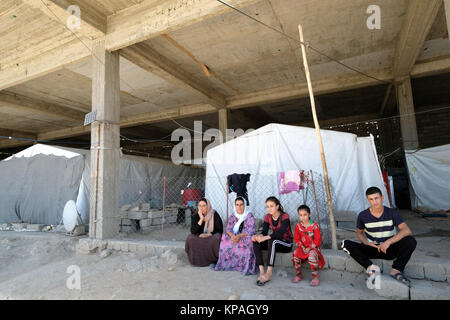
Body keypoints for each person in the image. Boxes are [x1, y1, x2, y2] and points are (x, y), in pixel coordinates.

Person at [341, 187, 417, 287]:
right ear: (368, 200)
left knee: (410, 241)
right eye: (371, 199)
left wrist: (388, 242)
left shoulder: (391, 213)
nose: (374, 202)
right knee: (345, 243)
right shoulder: (363, 216)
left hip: (389, 249)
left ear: (382, 198)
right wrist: (366, 243)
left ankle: (396, 270)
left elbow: (406, 230)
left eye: (376, 198)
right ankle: (371, 267)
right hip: (372, 249)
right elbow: (359, 233)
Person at [252, 196, 293, 286]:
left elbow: (280, 233)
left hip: (286, 243)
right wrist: (257, 237)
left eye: (271, 206)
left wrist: (265, 237)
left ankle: (269, 273)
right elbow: (264, 232)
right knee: (256, 241)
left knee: (272, 241)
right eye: (267, 206)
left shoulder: (284, 216)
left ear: (277, 206)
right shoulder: (267, 217)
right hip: (275, 242)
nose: (269, 209)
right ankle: (262, 271)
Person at [214, 197, 257, 275]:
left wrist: (239, 236)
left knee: (249, 240)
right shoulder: (233, 216)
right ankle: (229, 264)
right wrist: (232, 236)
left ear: (244, 205)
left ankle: (244, 266)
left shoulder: (249, 215)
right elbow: (228, 229)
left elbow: (251, 230)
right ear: (235, 206)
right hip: (235, 236)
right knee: (224, 237)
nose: (239, 207)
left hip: (245, 236)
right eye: (237, 205)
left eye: (241, 204)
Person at [291, 205, 325, 286]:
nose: (303, 217)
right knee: (295, 253)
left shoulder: (314, 226)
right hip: (303, 248)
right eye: (300, 215)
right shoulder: (298, 226)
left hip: (314, 248)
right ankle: (299, 275)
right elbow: (297, 239)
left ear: (309, 214)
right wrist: (302, 247)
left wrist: (309, 248)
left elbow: (317, 241)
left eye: (305, 215)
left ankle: (315, 277)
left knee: (311, 256)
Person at [185, 198, 223, 267]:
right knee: (190, 238)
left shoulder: (214, 214)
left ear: (208, 206)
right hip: (200, 237)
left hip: (211, 237)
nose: (201, 208)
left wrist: (209, 234)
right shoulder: (196, 216)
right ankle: (196, 260)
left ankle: (213, 260)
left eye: (204, 205)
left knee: (217, 237)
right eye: (199, 206)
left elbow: (219, 230)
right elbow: (193, 231)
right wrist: (201, 219)